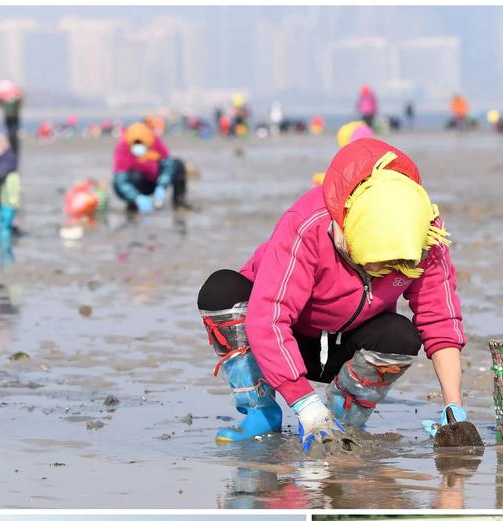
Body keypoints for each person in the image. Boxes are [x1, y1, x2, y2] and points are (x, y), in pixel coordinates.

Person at [197, 138, 475, 448]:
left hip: (349, 348)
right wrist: (306, 406)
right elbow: (268, 319)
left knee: (400, 336)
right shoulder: (310, 223)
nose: (380, 272)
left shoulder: (424, 232)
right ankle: (261, 412)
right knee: (221, 291)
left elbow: (441, 319)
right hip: (284, 341)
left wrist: (454, 407)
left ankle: (343, 419)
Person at [112, 121, 188, 212]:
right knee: (135, 175)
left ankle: (179, 204)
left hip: (155, 181)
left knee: (177, 164)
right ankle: (134, 205)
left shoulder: (155, 141)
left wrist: (162, 186)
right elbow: (120, 180)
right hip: (136, 184)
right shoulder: (123, 146)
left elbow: (168, 165)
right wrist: (136, 197)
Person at [0, 131, 20, 265]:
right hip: (6, 197)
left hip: (10, 198)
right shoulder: (4, 157)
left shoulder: (8, 157)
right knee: (4, 222)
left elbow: (0, 172)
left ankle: (6, 251)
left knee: (5, 223)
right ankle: (6, 253)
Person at [0, 80, 23, 159]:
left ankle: (14, 151)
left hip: (14, 119)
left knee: (13, 135)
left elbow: (19, 103)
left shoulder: (15, 100)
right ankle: (11, 150)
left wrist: (18, 96)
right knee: (9, 134)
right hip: (7, 119)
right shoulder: (4, 100)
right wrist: (1, 98)